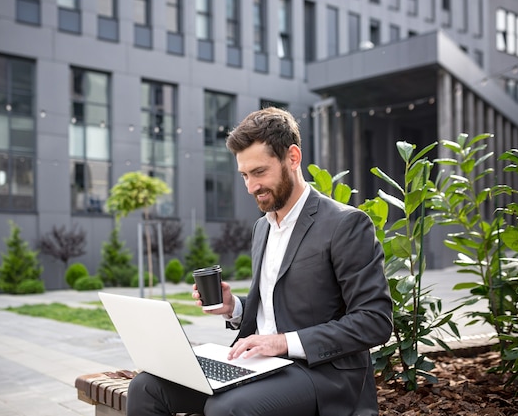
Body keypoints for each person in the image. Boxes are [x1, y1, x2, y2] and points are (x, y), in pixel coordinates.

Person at [126, 107, 393, 416]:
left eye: (259, 172)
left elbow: (374, 320)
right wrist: (234, 308)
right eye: (244, 175)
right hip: (261, 366)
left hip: (321, 373)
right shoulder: (263, 227)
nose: (251, 186)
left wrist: (283, 343)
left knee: (226, 407)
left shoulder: (345, 224)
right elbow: (274, 305)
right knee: (145, 387)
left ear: (292, 158)